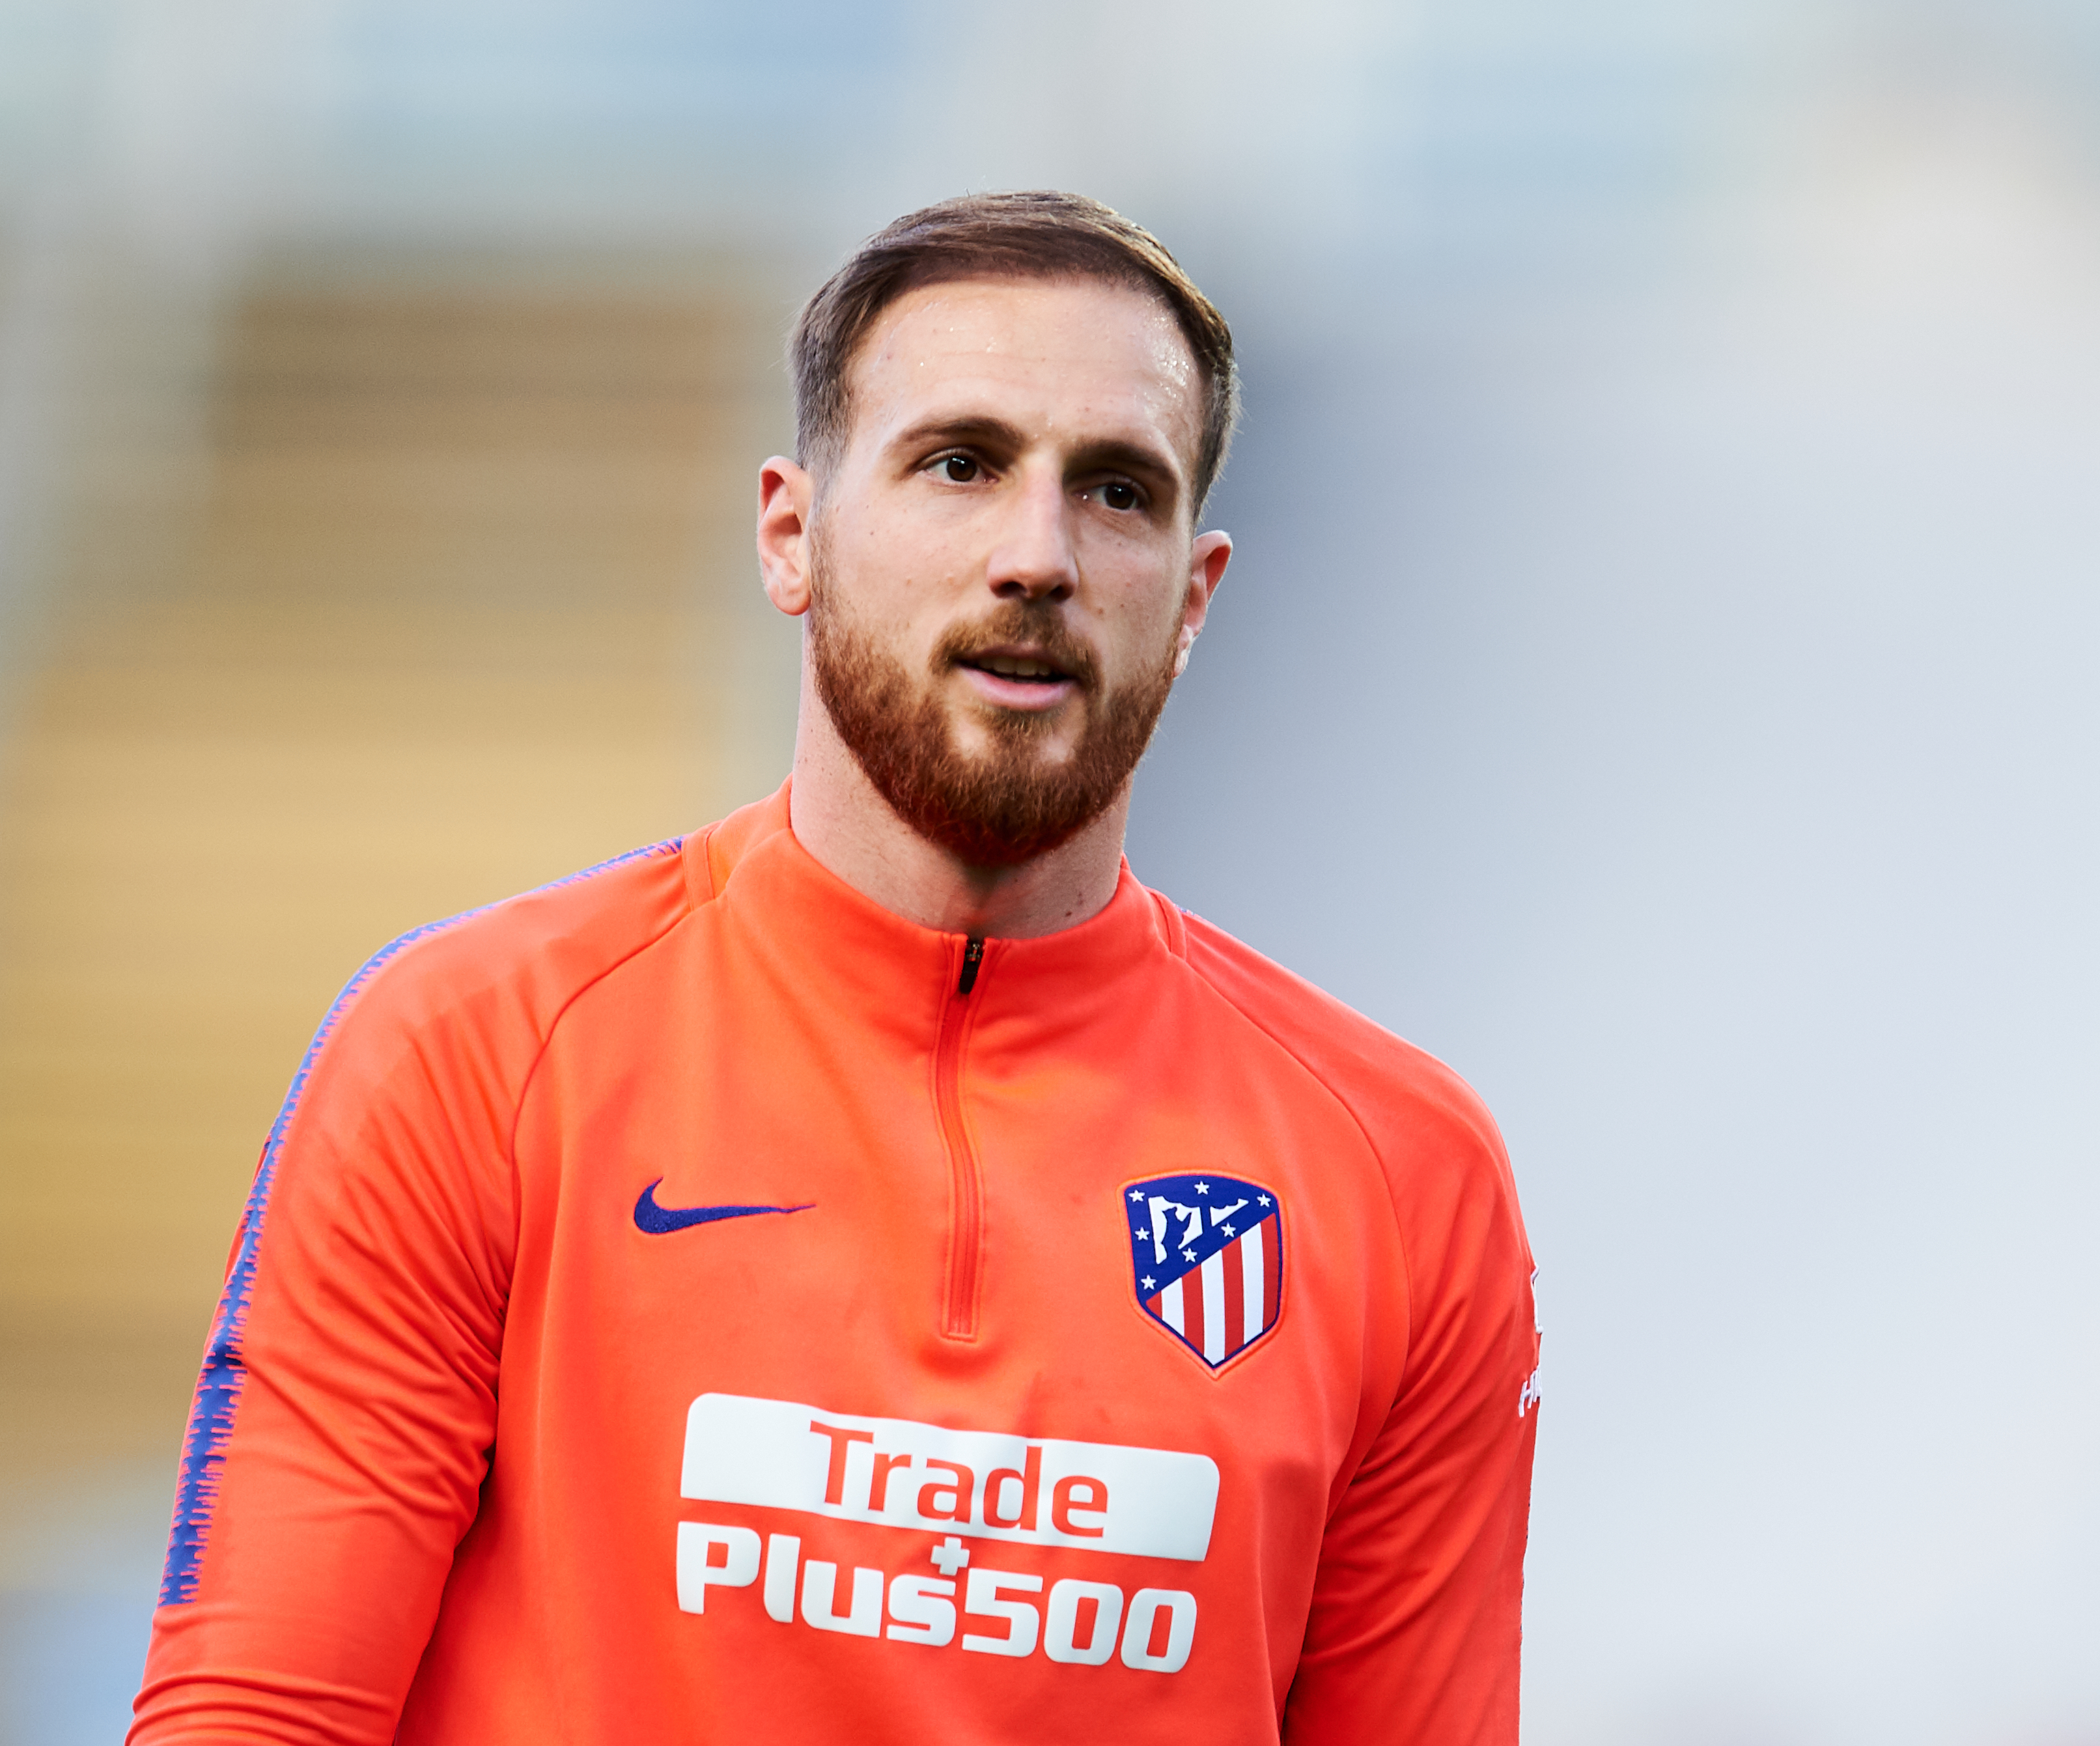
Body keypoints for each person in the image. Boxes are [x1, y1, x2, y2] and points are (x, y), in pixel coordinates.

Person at [130, 190, 1540, 1745]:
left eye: (1116, 491)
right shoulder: (476, 1050)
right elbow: (253, 1715)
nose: (1036, 555)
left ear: (1191, 598)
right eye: (959, 463)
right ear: (792, 534)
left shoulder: (1401, 1177)